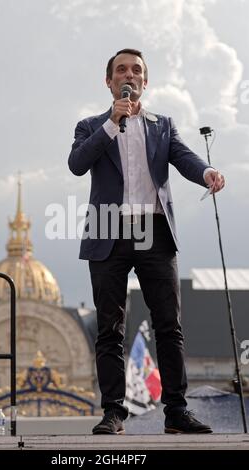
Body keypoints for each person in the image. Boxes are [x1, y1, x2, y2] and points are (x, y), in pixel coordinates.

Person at [68, 48, 225, 435]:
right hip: (109, 230)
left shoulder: (162, 125)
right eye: (121, 70)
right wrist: (112, 123)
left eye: (136, 70)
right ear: (109, 81)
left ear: (145, 81)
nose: (129, 74)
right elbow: (76, 164)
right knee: (110, 327)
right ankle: (114, 413)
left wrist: (206, 171)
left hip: (155, 231)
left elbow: (184, 158)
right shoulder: (90, 125)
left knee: (168, 325)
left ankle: (176, 411)